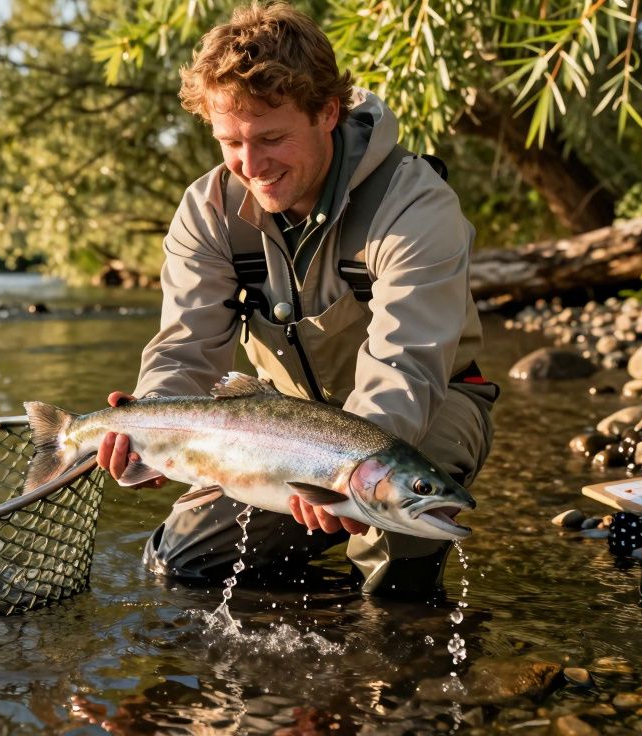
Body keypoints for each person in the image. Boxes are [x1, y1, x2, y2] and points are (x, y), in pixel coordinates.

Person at [98, 1, 497, 599]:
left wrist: (345, 474)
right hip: (276, 427)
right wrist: (152, 434)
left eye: (272, 138)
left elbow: (408, 365)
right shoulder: (205, 211)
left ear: (327, 113)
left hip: (425, 410)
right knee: (181, 564)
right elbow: (186, 350)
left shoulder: (417, 206)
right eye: (230, 142)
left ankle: (393, 655)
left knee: (392, 557)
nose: (252, 166)